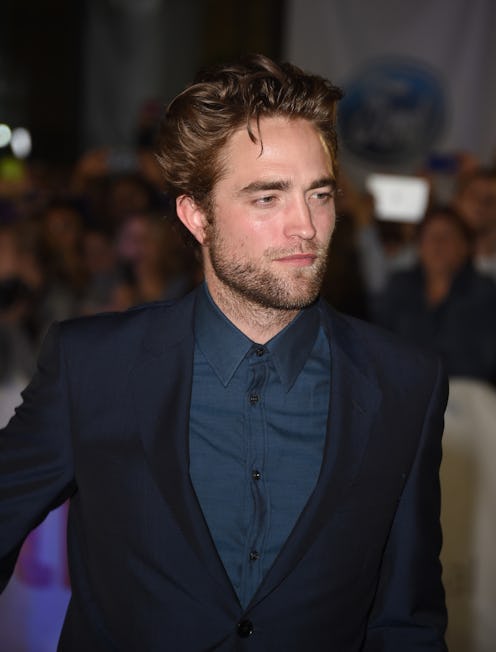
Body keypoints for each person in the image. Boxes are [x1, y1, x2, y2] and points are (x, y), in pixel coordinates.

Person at [0, 54, 448, 651]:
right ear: (196, 216)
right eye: (267, 198)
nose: (306, 227)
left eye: (319, 194)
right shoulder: (92, 367)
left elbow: (406, 621)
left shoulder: (405, 383)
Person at [373, 205, 496, 385]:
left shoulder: (484, 292)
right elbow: (379, 345)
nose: (438, 244)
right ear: (419, 246)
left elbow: (483, 360)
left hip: (465, 390)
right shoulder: (400, 286)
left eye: (447, 237)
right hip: (405, 386)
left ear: (465, 246)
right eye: (430, 237)